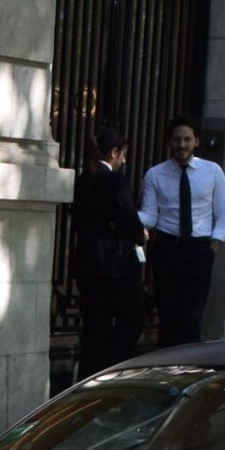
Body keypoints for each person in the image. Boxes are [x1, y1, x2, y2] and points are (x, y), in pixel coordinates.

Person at [137, 116, 225, 346]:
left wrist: (213, 248)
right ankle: (166, 373)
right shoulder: (155, 175)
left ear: (196, 141)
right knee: (168, 318)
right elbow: (150, 214)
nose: (182, 145)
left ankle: (190, 372)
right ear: (170, 142)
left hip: (199, 251)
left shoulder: (213, 172)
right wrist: (126, 218)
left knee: (193, 317)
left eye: (187, 139)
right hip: (167, 248)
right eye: (177, 139)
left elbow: (224, 214)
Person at [71, 126, 146, 374]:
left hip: (87, 263)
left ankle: (88, 375)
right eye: (123, 155)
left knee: (95, 325)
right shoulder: (116, 180)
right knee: (133, 321)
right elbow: (130, 219)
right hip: (116, 265)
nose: (123, 161)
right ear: (114, 152)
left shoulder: (82, 180)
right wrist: (141, 235)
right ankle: (108, 367)